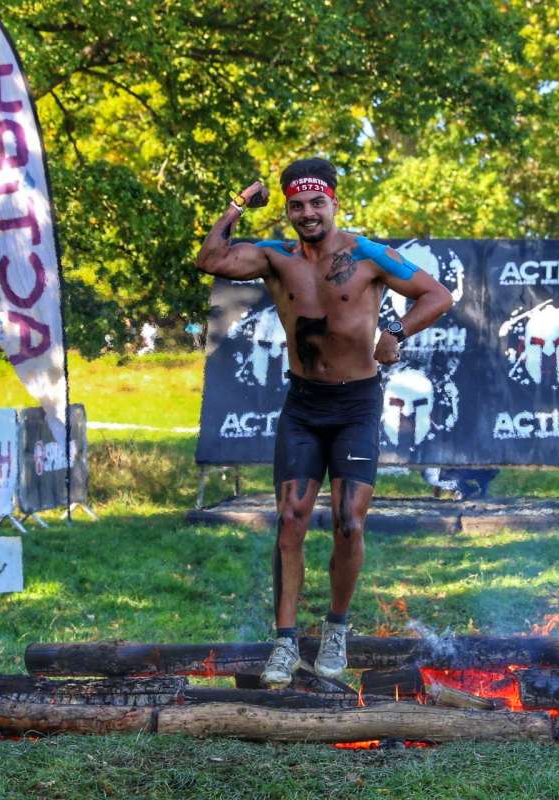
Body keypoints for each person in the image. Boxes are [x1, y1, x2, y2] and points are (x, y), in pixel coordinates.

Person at [195, 158, 454, 687]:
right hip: (304, 408)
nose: (307, 213)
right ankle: (286, 643)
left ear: (334, 202)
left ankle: (336, 628)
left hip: (356, 405)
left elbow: (438, 295)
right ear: (287, 209)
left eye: (317, 202)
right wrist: (241, 201)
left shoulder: (366, 254)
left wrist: (397, 333)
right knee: (290, 519)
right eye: (297, 204)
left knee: (349, 523)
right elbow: (210, 258)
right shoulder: (276, 257)